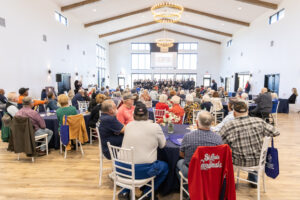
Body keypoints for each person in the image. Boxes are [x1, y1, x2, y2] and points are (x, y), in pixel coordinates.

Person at [219, 101, 280, 186]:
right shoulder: (259, 121)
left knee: (229, 151)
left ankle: (228, 183)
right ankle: (253, 179)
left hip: (239, 161)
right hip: (259, 160)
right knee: (253, 148)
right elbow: (276, 132)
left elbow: (219, 141)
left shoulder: (229, 125)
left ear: (234, 113)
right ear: (247, 111)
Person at [119, 103, 168, 200]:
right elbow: (162, 145)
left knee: (132, 162)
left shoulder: (128, 126)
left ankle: (125, 191)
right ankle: (147, 194)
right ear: (147, 115)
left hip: (121, 168)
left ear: (134, 116)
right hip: (142, 170)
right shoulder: (155, 127)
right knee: (165, 167)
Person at [177, 111, 223, 178]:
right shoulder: (218, 138)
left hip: (192, 171)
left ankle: (186, 187)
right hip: (210, 171)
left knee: (179, 162)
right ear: (212, 123)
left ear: (197, 122)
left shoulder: (188, 136)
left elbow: (182, 154)